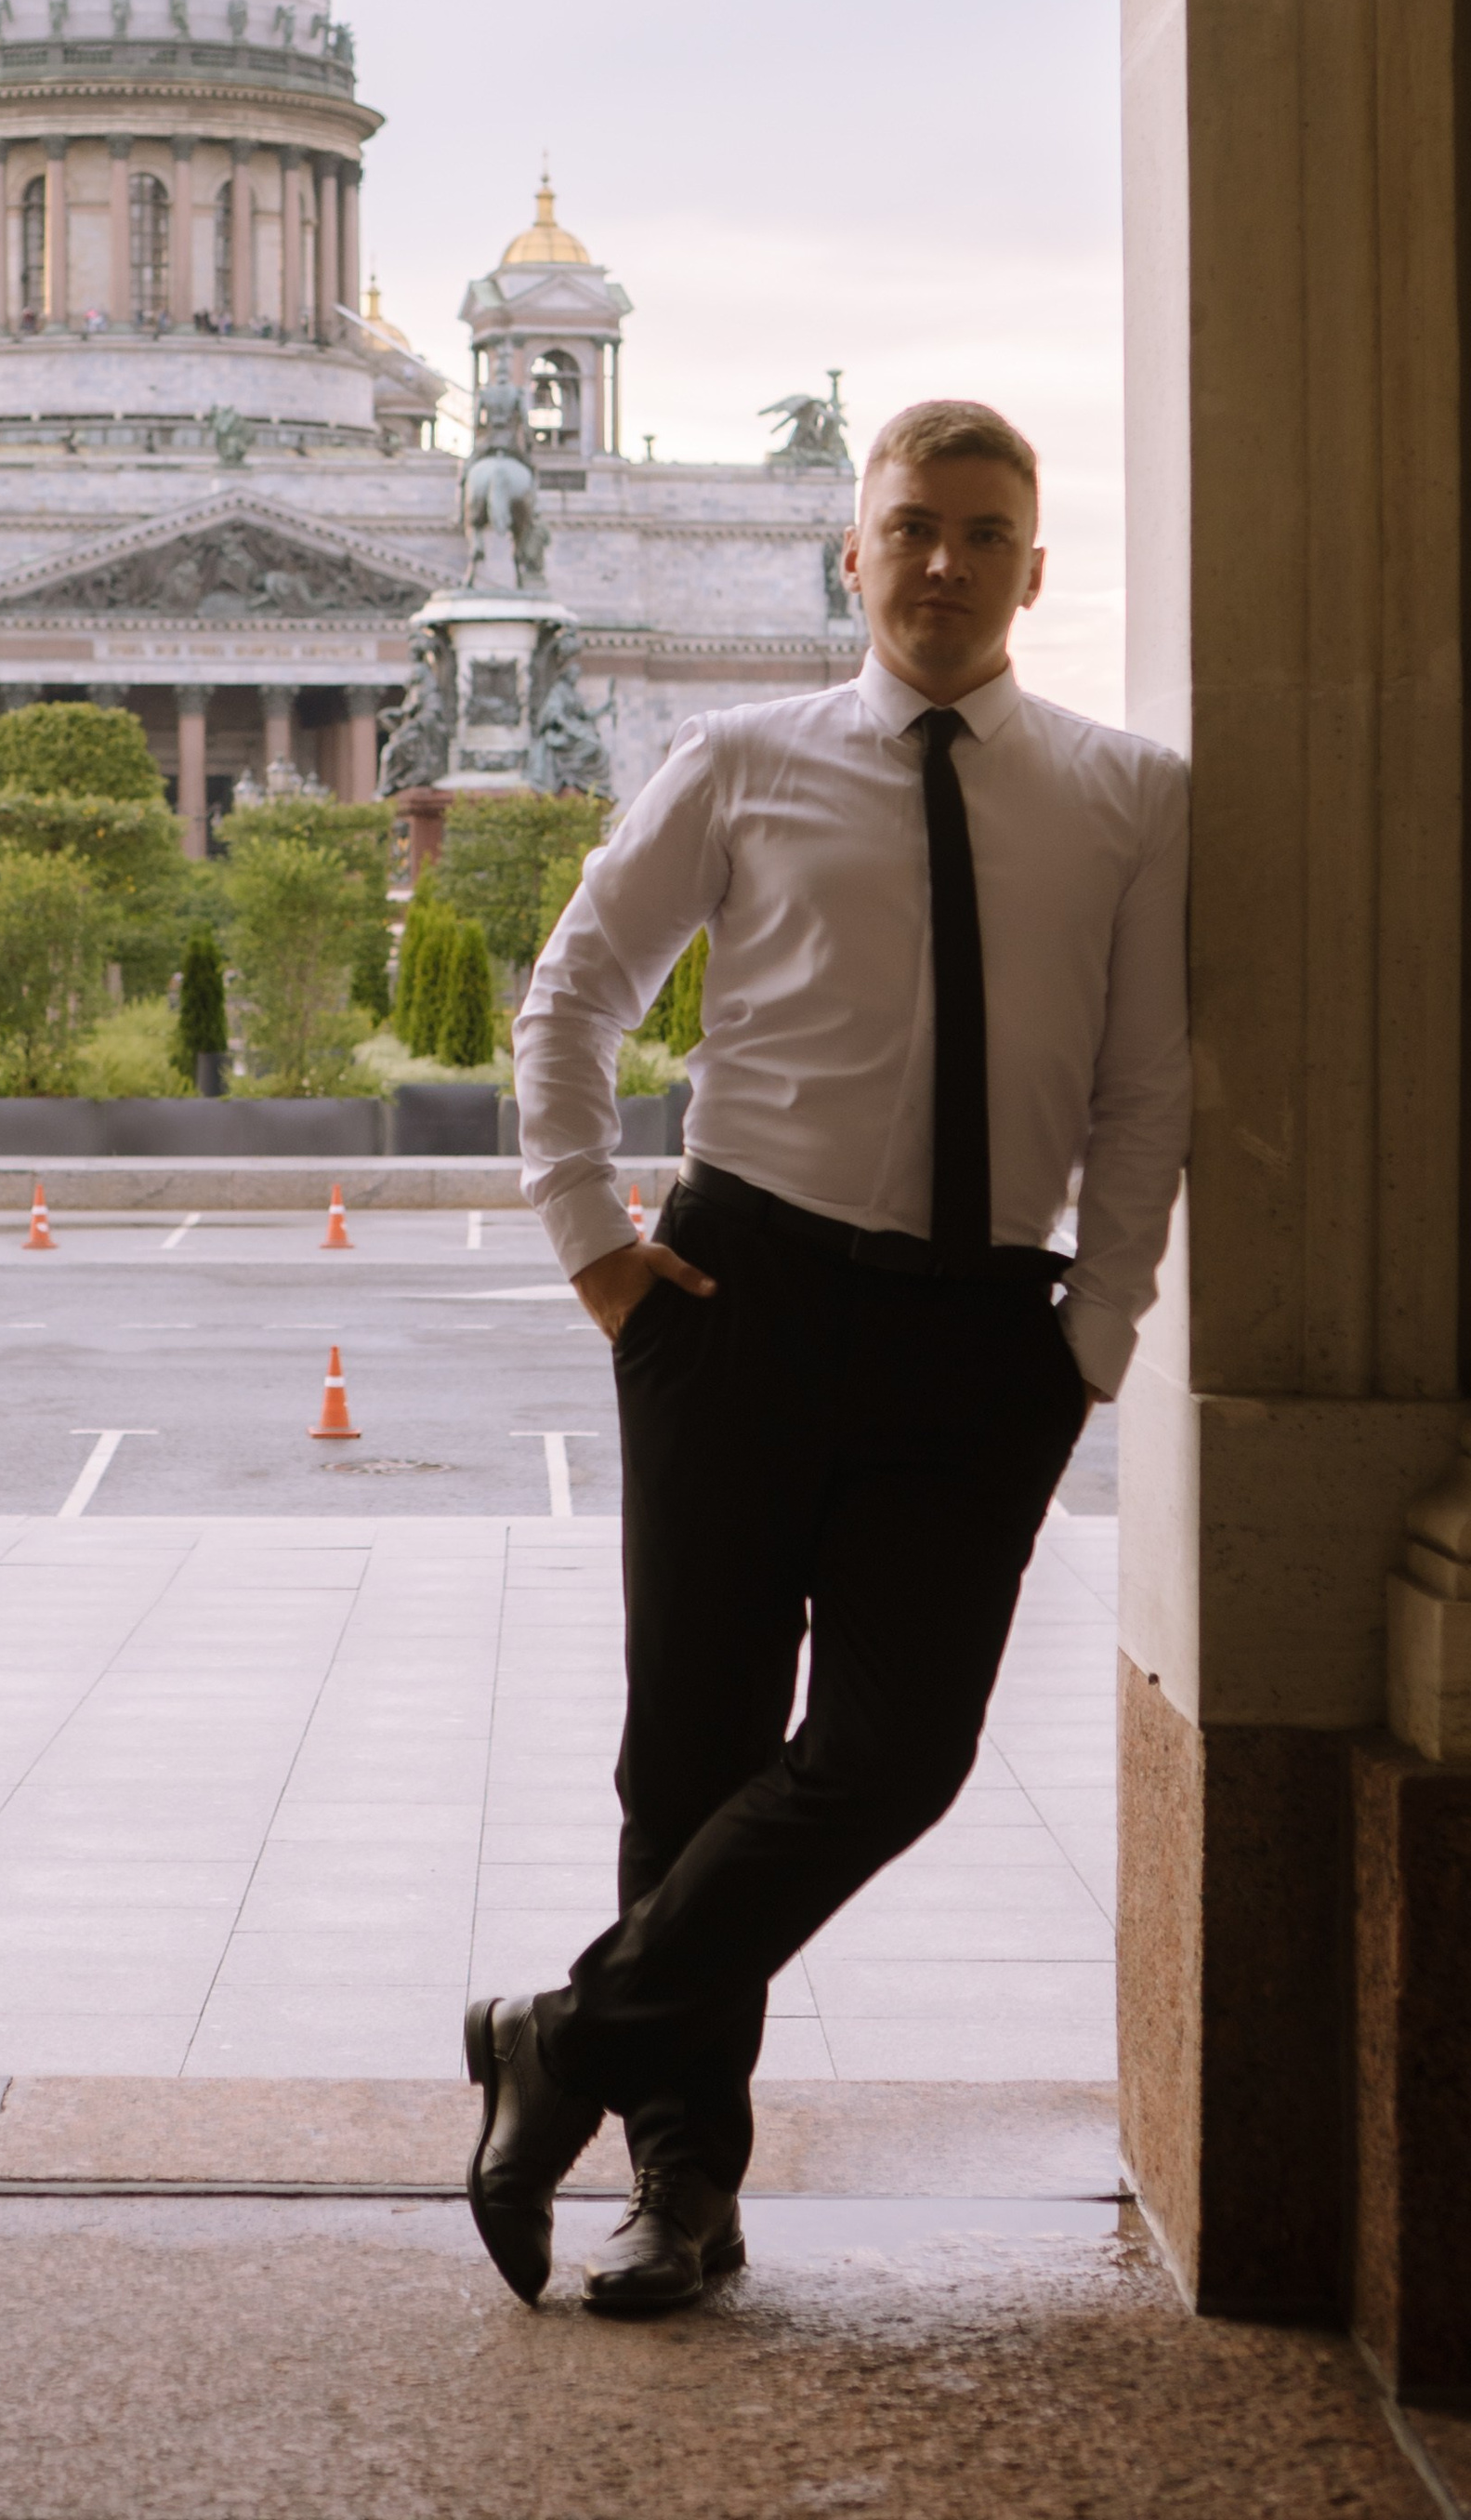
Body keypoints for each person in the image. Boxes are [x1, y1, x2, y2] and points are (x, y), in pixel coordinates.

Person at [466, 398, 1189, 2316]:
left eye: (982, 532)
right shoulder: (738, 760)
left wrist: (1094, 1338)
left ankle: (560, 2039)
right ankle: (681, 2190)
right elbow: (573, 995)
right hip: (737, 1301)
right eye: (911, 527)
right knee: (690, 1756)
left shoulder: (1130, 797)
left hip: (984, 1334)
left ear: (1033, 570)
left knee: (898, 1754)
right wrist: (593, 1244)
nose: (943, 561)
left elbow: (1143, 1090)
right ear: (849, 555)